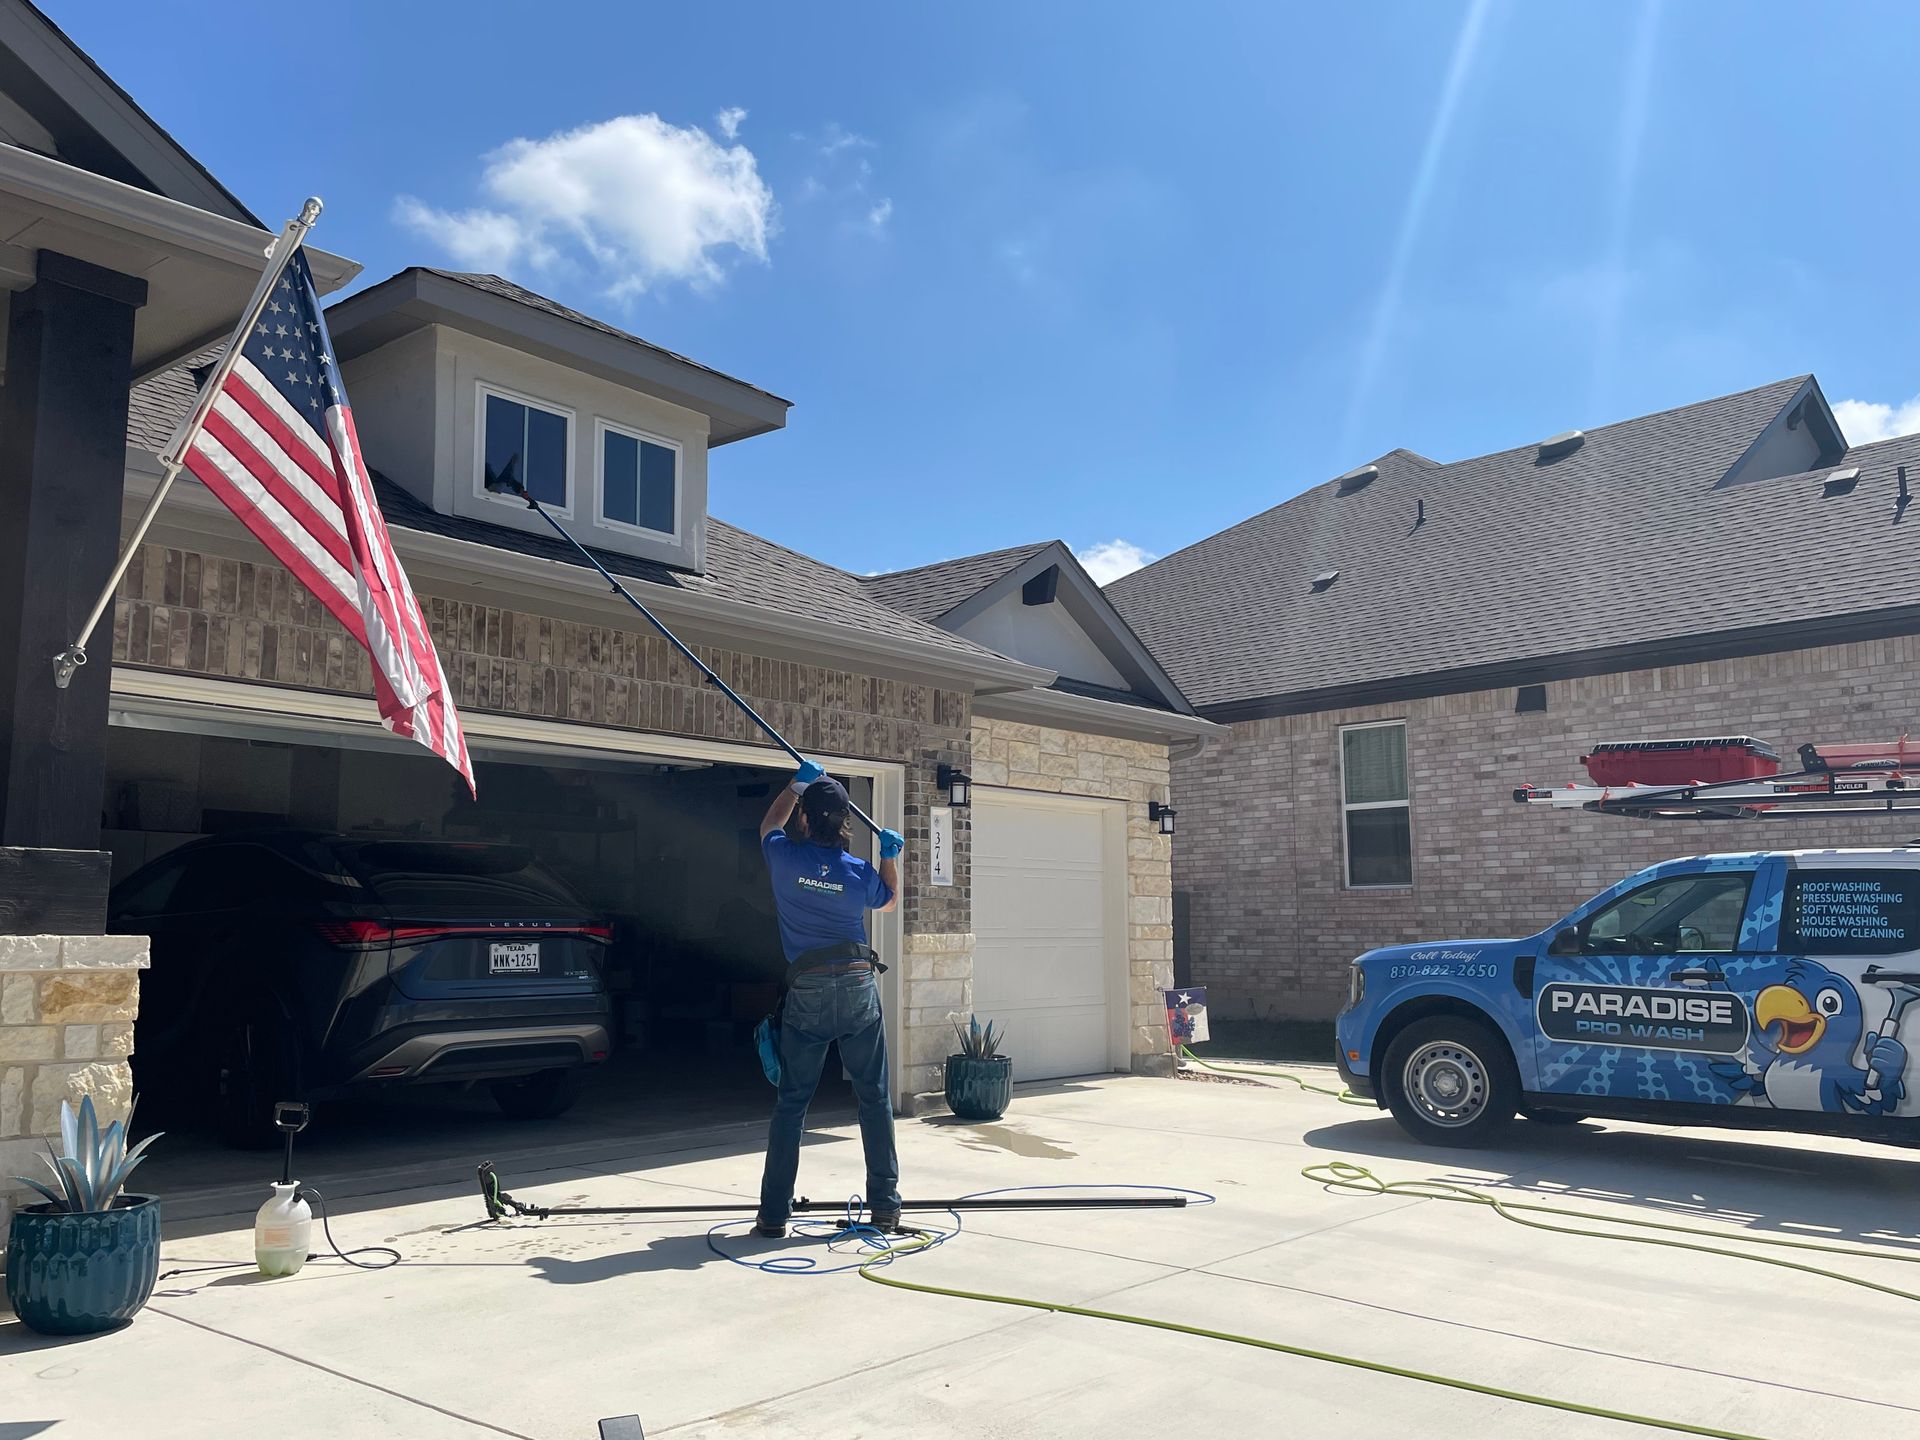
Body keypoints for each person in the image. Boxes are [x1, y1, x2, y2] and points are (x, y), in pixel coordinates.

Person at [754, 759, 906, 1237]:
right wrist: (888, 855)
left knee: (792, 1104)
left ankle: (775, 1215)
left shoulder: (783, 857)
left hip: (809, 990)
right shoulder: (858, 870)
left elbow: (768, 824)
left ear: (805, 818)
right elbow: (890, 899)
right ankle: (884, 1206)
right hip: (858, 985)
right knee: (874, 1098)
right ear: (844, 824)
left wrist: (795, 785)